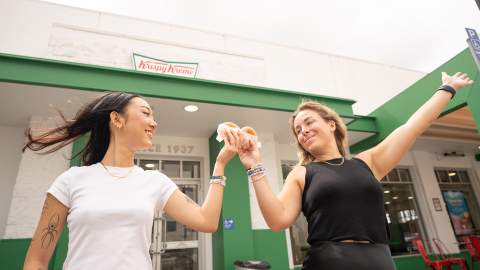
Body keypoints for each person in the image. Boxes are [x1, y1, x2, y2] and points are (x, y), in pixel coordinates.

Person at [234, 72, 473, 270]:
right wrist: (255, 166)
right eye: (298, 130)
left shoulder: (367, 162)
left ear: (331, 124)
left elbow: (412, 127)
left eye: (308, 122)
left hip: (379, 260)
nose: (303, 131)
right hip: (328, 262)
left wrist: (447, 88)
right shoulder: (302, 173)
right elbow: (277, 221)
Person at [22, 92, 240, 270]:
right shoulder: (71, 180)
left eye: (153, 117)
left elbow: (207, 221)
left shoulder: (154, 181)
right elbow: (36, 262)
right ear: (116, 119)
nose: (154, 123)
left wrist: (220, 164)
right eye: (146, 113)